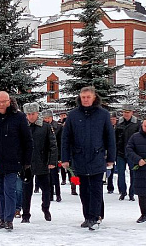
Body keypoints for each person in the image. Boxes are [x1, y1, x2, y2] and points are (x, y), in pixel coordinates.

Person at [61, 86, 116, 230]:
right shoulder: (73, 115)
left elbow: (110, 137)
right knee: (84, 190)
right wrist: (65, 158)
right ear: (80, 98)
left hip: (97, 157)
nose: (85, 100)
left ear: (94, 98)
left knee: (96, 189)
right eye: (83, 97)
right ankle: (87, 217)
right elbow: (66, 138)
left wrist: (111, 157)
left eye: (88, 97)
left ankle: (95, 217)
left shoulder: (103, 114)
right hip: (79, 158)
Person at [0, 91, 33, 231]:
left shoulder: (19, 117)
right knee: (0, 191)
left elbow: (27, 140)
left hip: (13, 161)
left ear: (9, 101)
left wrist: (27, 161)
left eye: (4, 101)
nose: (1, 104)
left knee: (10, 189)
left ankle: (9, 219)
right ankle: (2, 218)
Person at [21, 102, 58, 223]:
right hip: (27, 164)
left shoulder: (45, 127)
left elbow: (53, 145)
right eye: (29, 114)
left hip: (42, 162)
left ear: (37, 113)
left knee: (46, 189)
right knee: (26, 190)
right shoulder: (22, 127)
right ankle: (26, 214)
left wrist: (52, 161)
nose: (31, 116)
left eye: (33, 113)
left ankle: (46, 208)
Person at [114, 104, 140, 201]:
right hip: (120, 152)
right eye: (124, 112)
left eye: (128, 112)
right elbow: (115, 137)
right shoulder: (119, 123)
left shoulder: (137, 123)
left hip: (132, 153)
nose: (126, 114)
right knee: (120, 173)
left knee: (133, 173)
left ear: (132, 113)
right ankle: (122, 192)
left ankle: (132, 192)